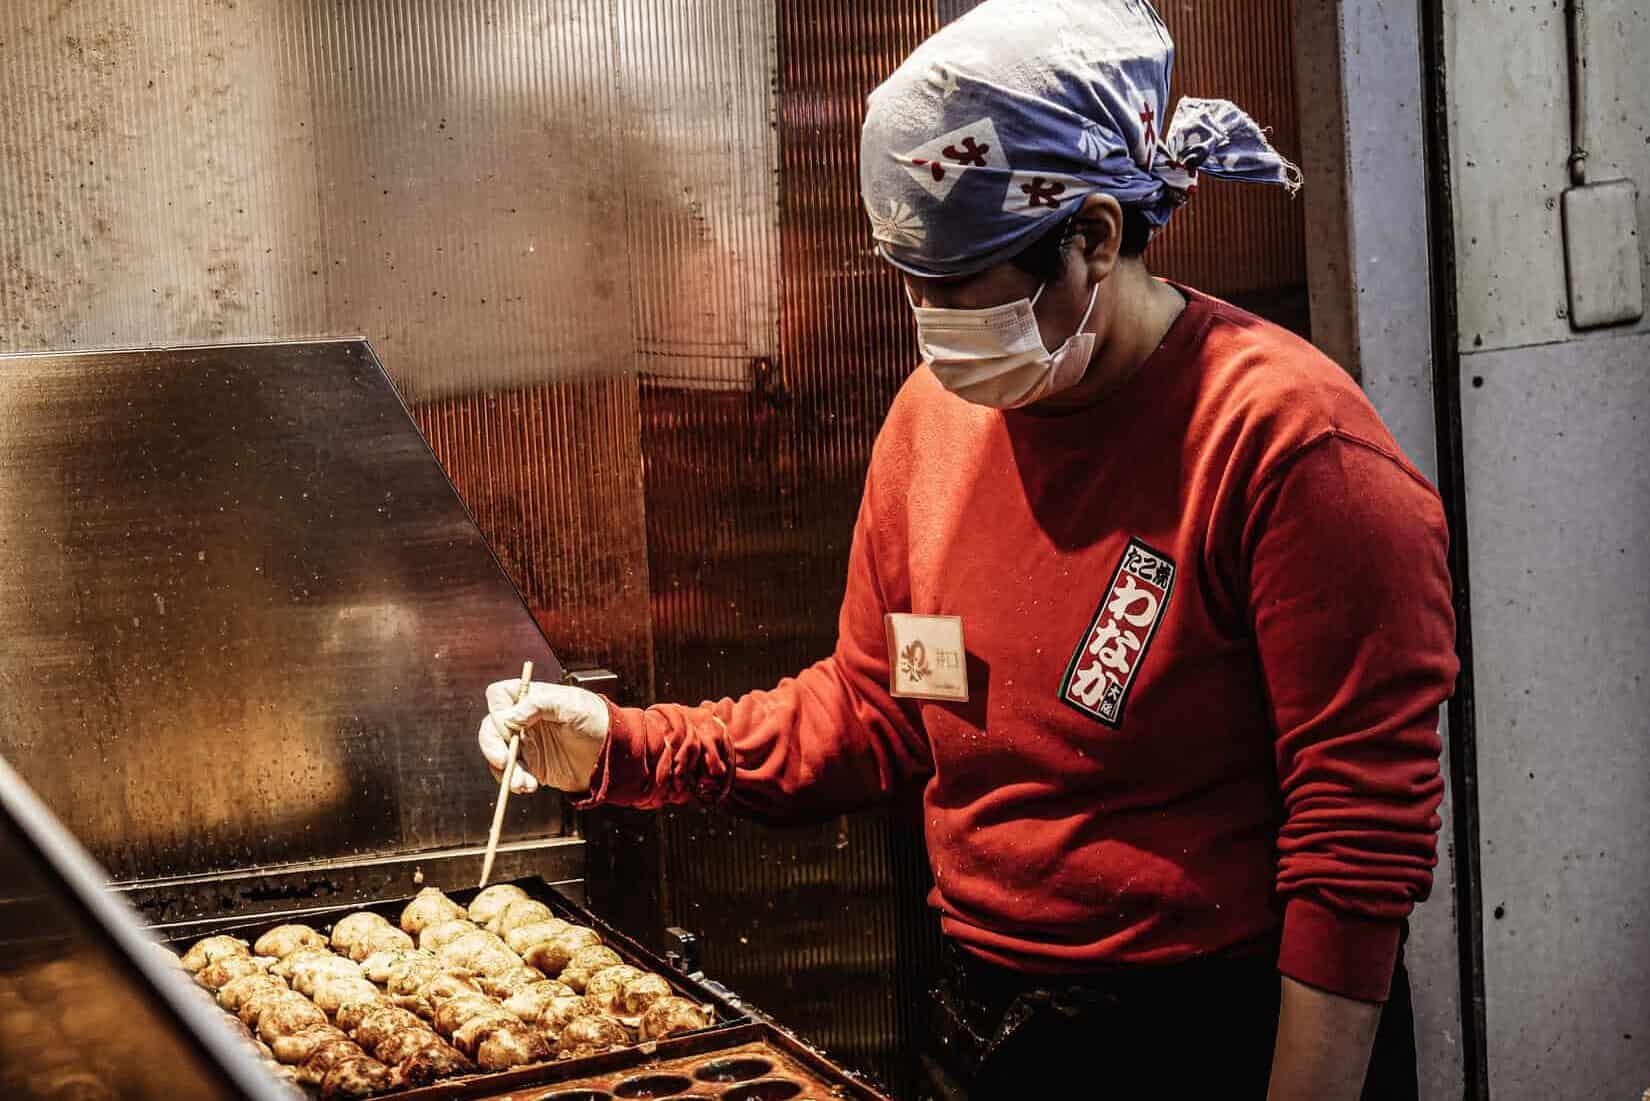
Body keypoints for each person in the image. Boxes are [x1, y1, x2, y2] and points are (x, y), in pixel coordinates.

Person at [476, 2, 1457, 1097]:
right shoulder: (932, 422)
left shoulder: (1291, 451)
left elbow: (1356, 844)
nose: (931, 325)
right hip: (985, 1016)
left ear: (1089, 236)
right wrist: (625, 747)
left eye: (959, 288)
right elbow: (877, 708)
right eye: (911, 283)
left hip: (1214, 1027)